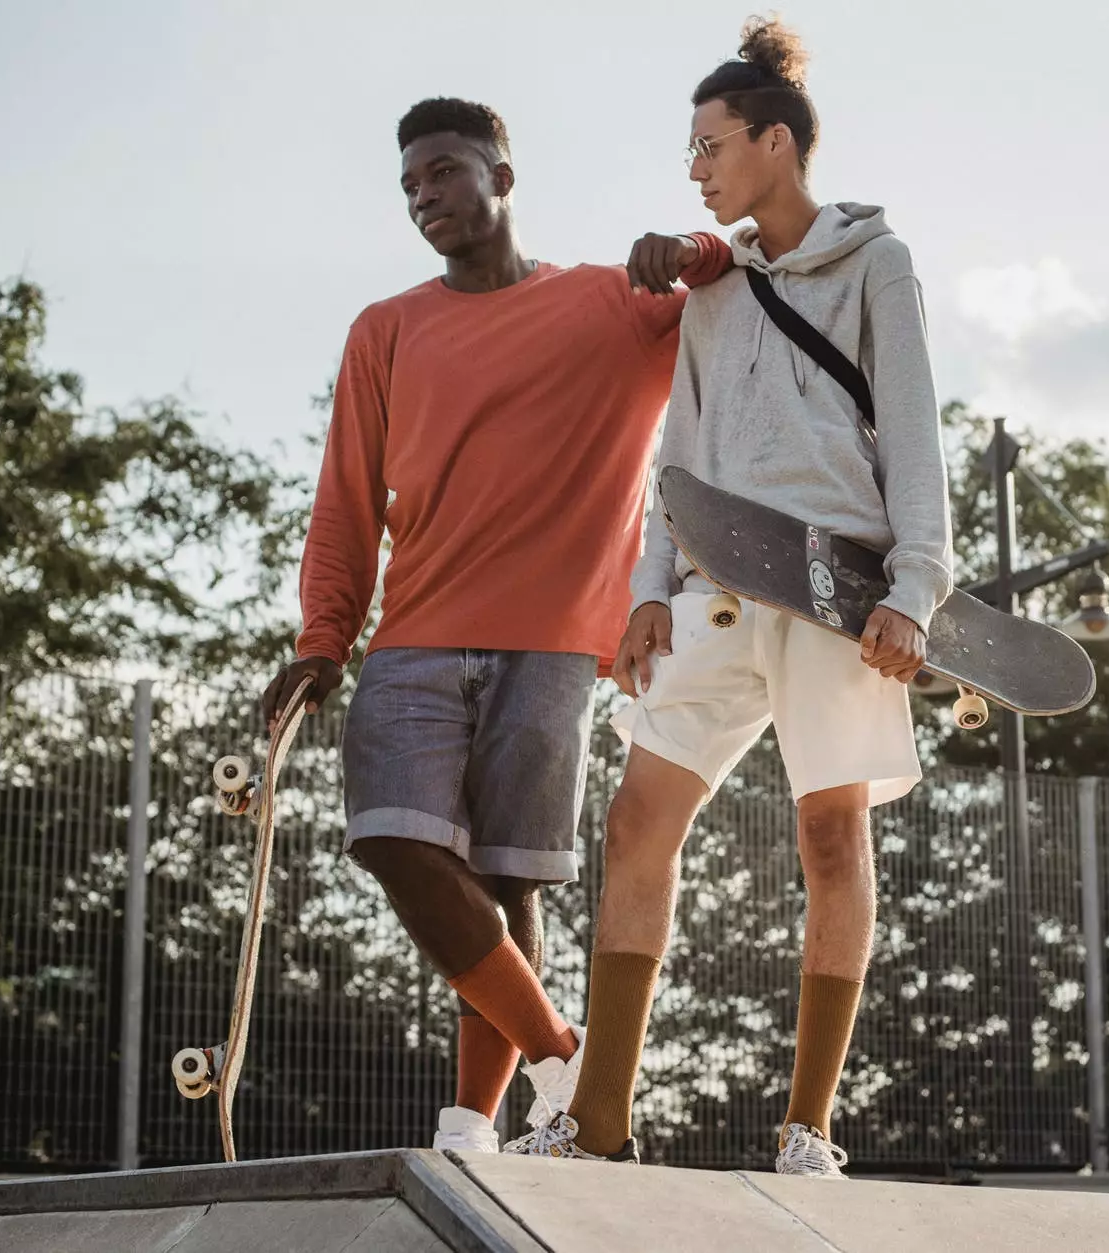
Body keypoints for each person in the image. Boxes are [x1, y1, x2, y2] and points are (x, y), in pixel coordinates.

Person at [506, 19, 952, 1177]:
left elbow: (912, 437)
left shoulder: (877, 262)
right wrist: (646, 585)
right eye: (689, 150)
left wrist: (914, 588)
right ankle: (596, 1119)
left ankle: (807, 1130)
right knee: (636, 822)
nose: (695, 168)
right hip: (713, 584)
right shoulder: (713, 284)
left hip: (833, 585)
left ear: (775, 141)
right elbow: (680, 450)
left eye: (709, 146)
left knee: (829, 833)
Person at [260, 96, 731, 1155]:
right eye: (408, 185)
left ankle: (472, 1123)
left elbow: (740, 265)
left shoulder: (612, 303)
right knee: (390, 836)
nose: (423, 195)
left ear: (501, 177)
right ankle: (566, 1056)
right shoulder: (384, 328)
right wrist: (321, 638)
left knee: (508, 879)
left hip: (557, 641)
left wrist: (689, 243)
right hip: (415, 633)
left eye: (441, 171)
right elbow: (344, 500)